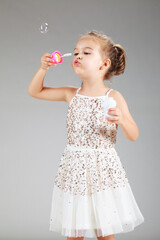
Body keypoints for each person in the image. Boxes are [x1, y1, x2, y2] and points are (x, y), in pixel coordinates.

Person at [28, 30, 144, 240]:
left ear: (104, 64)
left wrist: (122, 120)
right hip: (75, 171)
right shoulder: (71, 94)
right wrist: (43, 68)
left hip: (103, 172)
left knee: (104, 231)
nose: (78, 56)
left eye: (87, 52)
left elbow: (133, 134)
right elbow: (35, 91)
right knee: (74, 231)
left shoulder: (114, 97)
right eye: (75, 52)